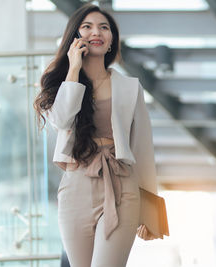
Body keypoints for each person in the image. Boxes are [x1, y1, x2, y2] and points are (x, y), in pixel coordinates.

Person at [33, 3, 162, 266]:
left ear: (112, 39)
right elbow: (61, 120)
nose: (97, 32)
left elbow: (143, 148)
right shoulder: (65, 84)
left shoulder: (130, 87)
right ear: (75, 37)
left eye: (104, 27)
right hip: (75, 188)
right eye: (87, 26)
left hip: (121, 187)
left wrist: (153, 211)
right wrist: (73, 68)